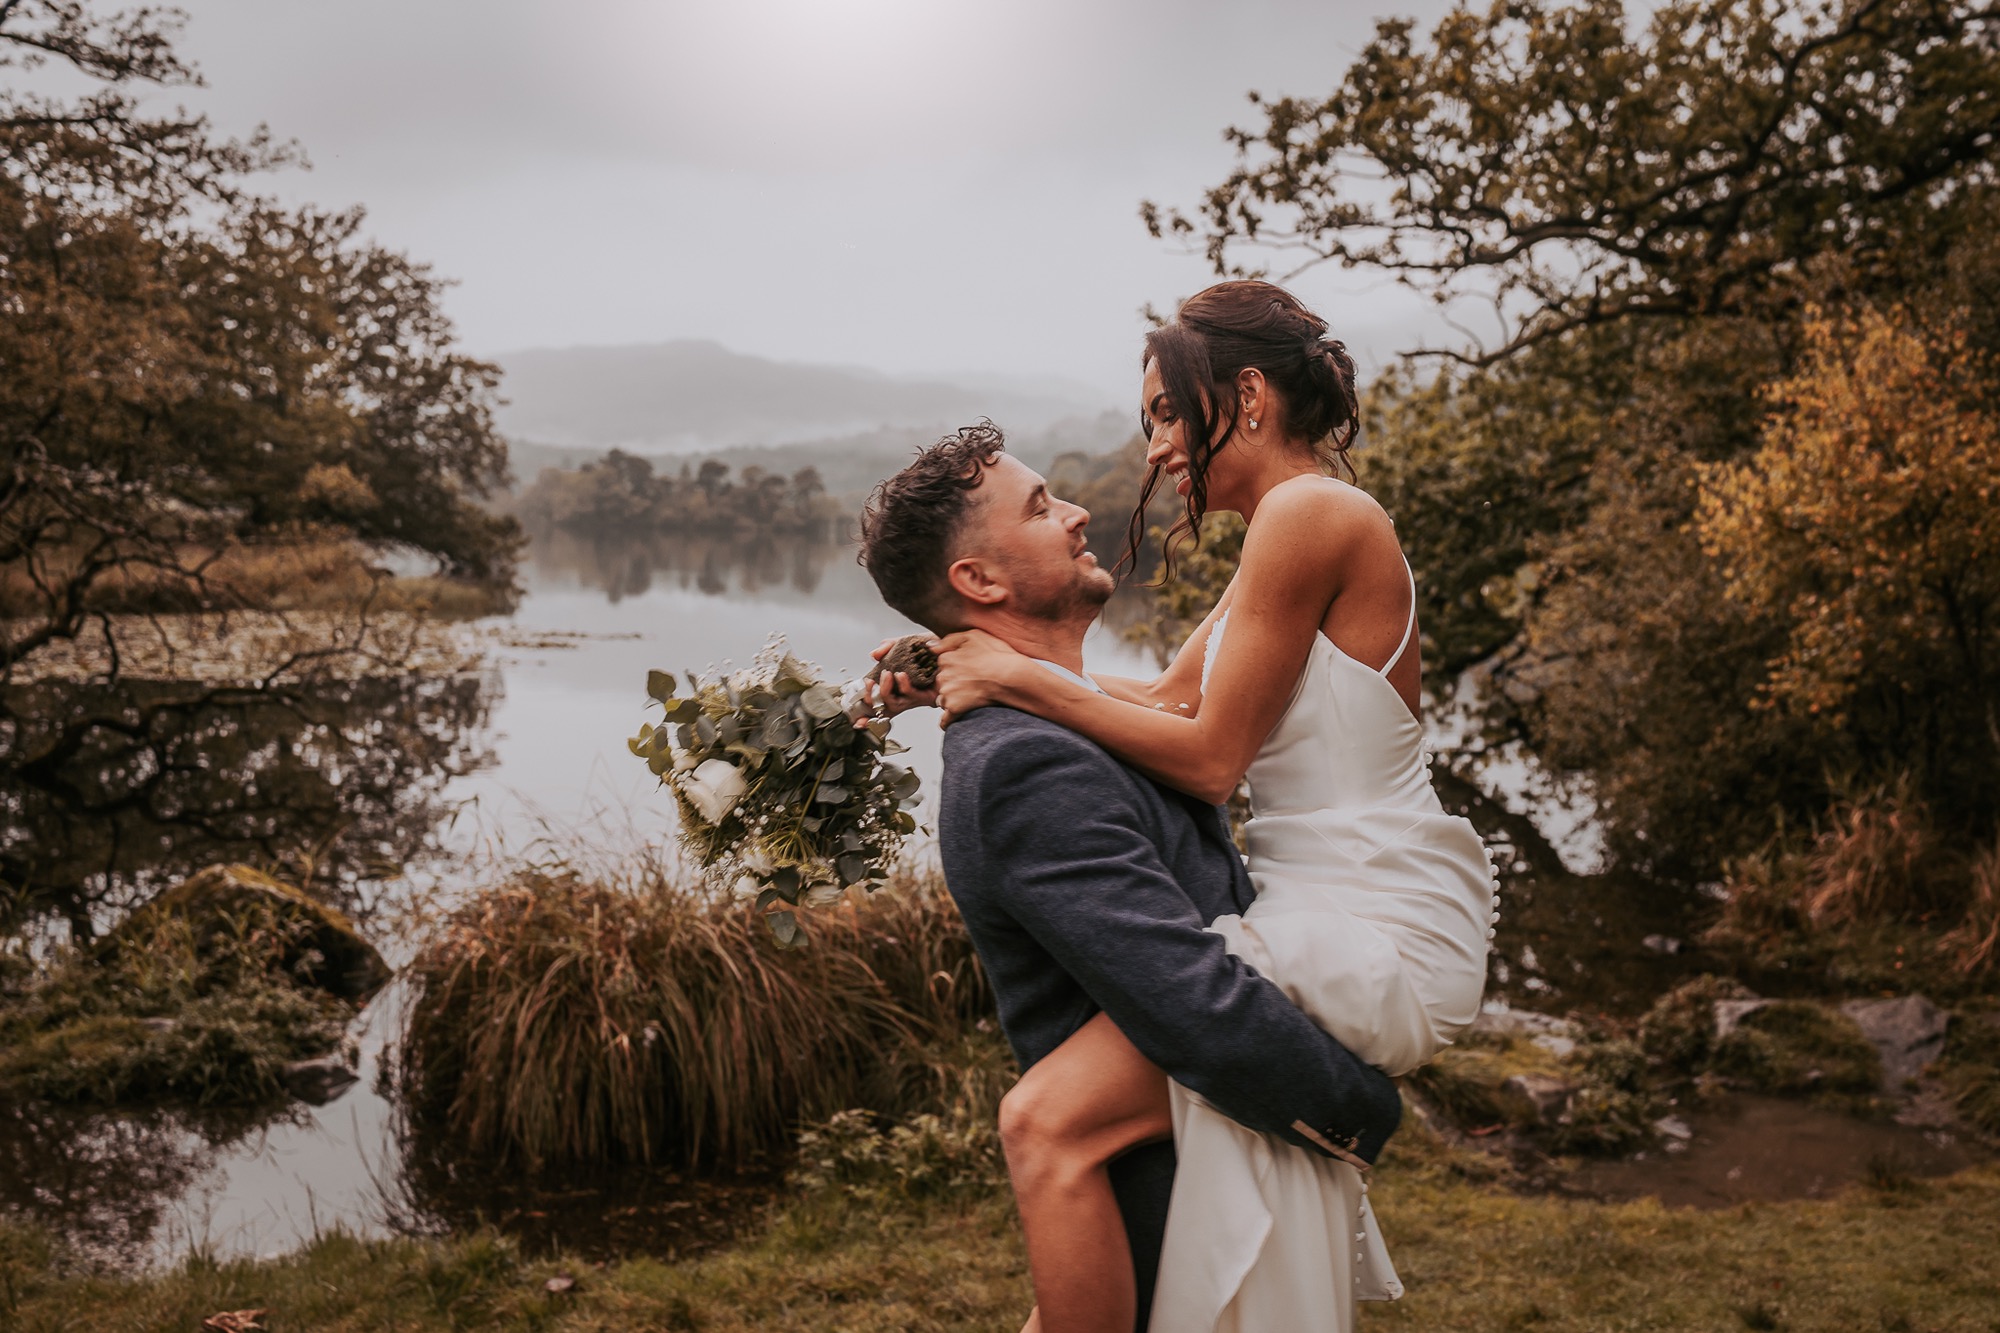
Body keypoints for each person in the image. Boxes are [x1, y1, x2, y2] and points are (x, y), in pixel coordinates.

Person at [883, 281, 1499, 1331]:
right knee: (1071, 1118)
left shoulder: (1310, 514)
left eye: (1169, 413)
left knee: (1045, 1118)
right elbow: (1167, 698)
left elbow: (1208, 758)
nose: (1158, 448)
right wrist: (950, 668)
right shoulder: (1280, 527)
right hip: (1322, 899)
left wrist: (1019, 681)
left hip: (1372, 909)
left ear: (1247, 396)